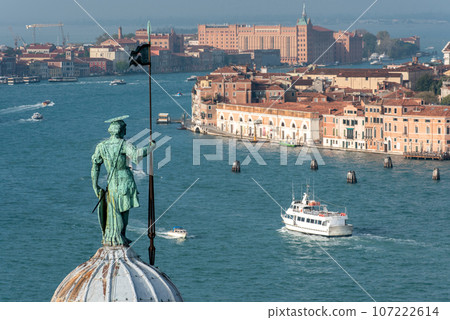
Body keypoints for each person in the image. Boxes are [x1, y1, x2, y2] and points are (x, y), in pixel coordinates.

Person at [91, 116, 155, 246]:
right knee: (123, 211)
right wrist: (151, 147)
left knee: (114, 210)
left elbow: (95, 167)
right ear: (120, 130)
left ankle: (115, 236)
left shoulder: (101, 146)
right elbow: (137, 155)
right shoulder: (125, 144)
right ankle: (119, 237)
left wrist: (95, 185)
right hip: (125, 180)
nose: (125, 132)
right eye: (125, 129)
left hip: (112, 182)